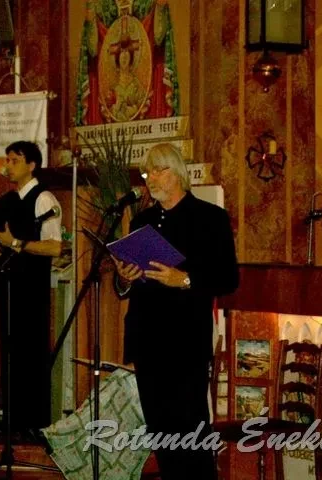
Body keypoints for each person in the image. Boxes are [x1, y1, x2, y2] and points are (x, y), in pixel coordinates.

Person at [113, 143, 239, 480]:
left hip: (185, 342)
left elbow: (228, 278)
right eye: (147, 172)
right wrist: (125, 277)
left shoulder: (210, 218)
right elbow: (125, 286)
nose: (151, 178)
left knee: (189, 429)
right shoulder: (142, 221)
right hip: (146, 340)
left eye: (158, 170)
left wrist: (184, 279)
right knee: (161, 432)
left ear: (178, 173)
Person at [0, 140, 62, 435]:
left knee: (31, 354)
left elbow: (54, 246)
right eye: (6, 159)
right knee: (11, 352)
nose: (8, 165)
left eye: (15, 160)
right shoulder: (10, 199)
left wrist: (16, 244)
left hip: (32, 288)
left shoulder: (43, 198)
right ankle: (14, 421)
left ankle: (34, 424)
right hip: (10, 284)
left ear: (32, 165)